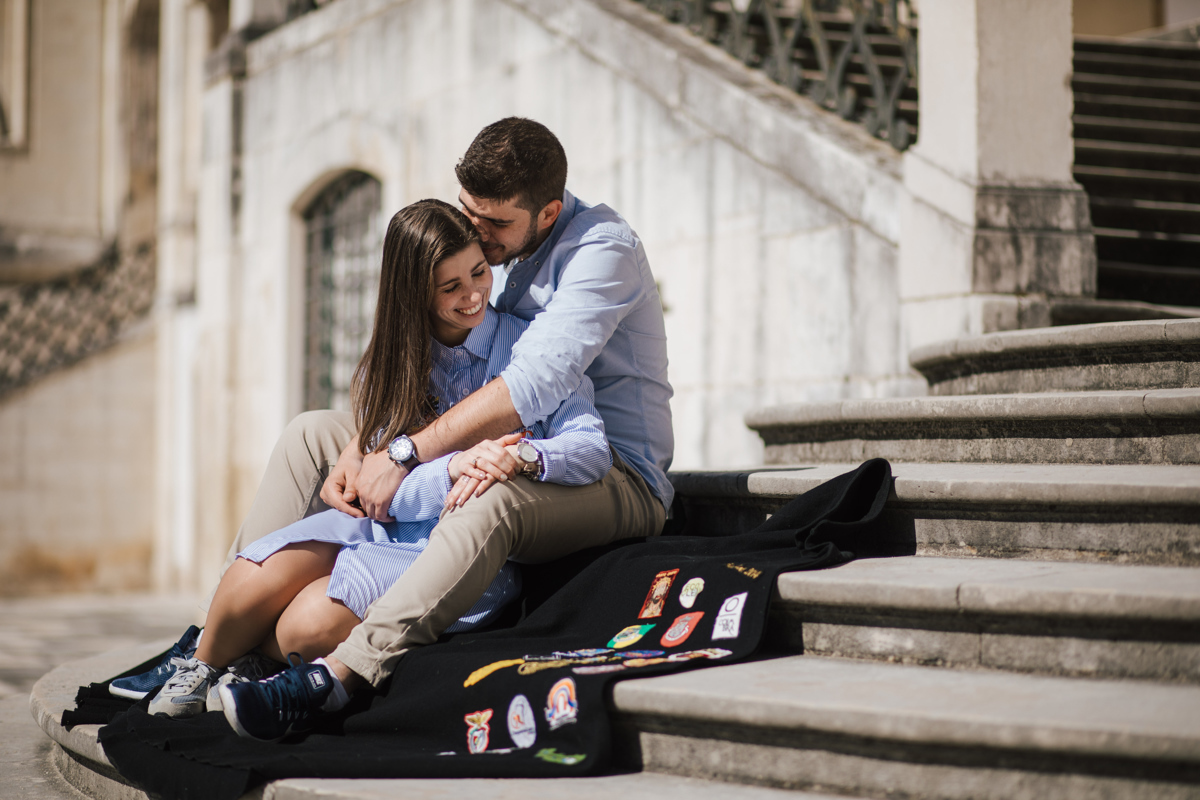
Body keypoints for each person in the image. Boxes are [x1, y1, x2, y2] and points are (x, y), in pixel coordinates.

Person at [118, 118, 674, 739]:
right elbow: (430, 375)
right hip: (490, 438)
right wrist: (364, 447)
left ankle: (341, 674)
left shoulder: (602, 250)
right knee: (312, 434)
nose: (477, 236)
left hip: (613, 472)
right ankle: (211, 637)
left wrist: (405, 453)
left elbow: (532, 387)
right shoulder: (494, 248)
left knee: (490, 495)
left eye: (493, 226)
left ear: (546, 213)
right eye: (470, 215)